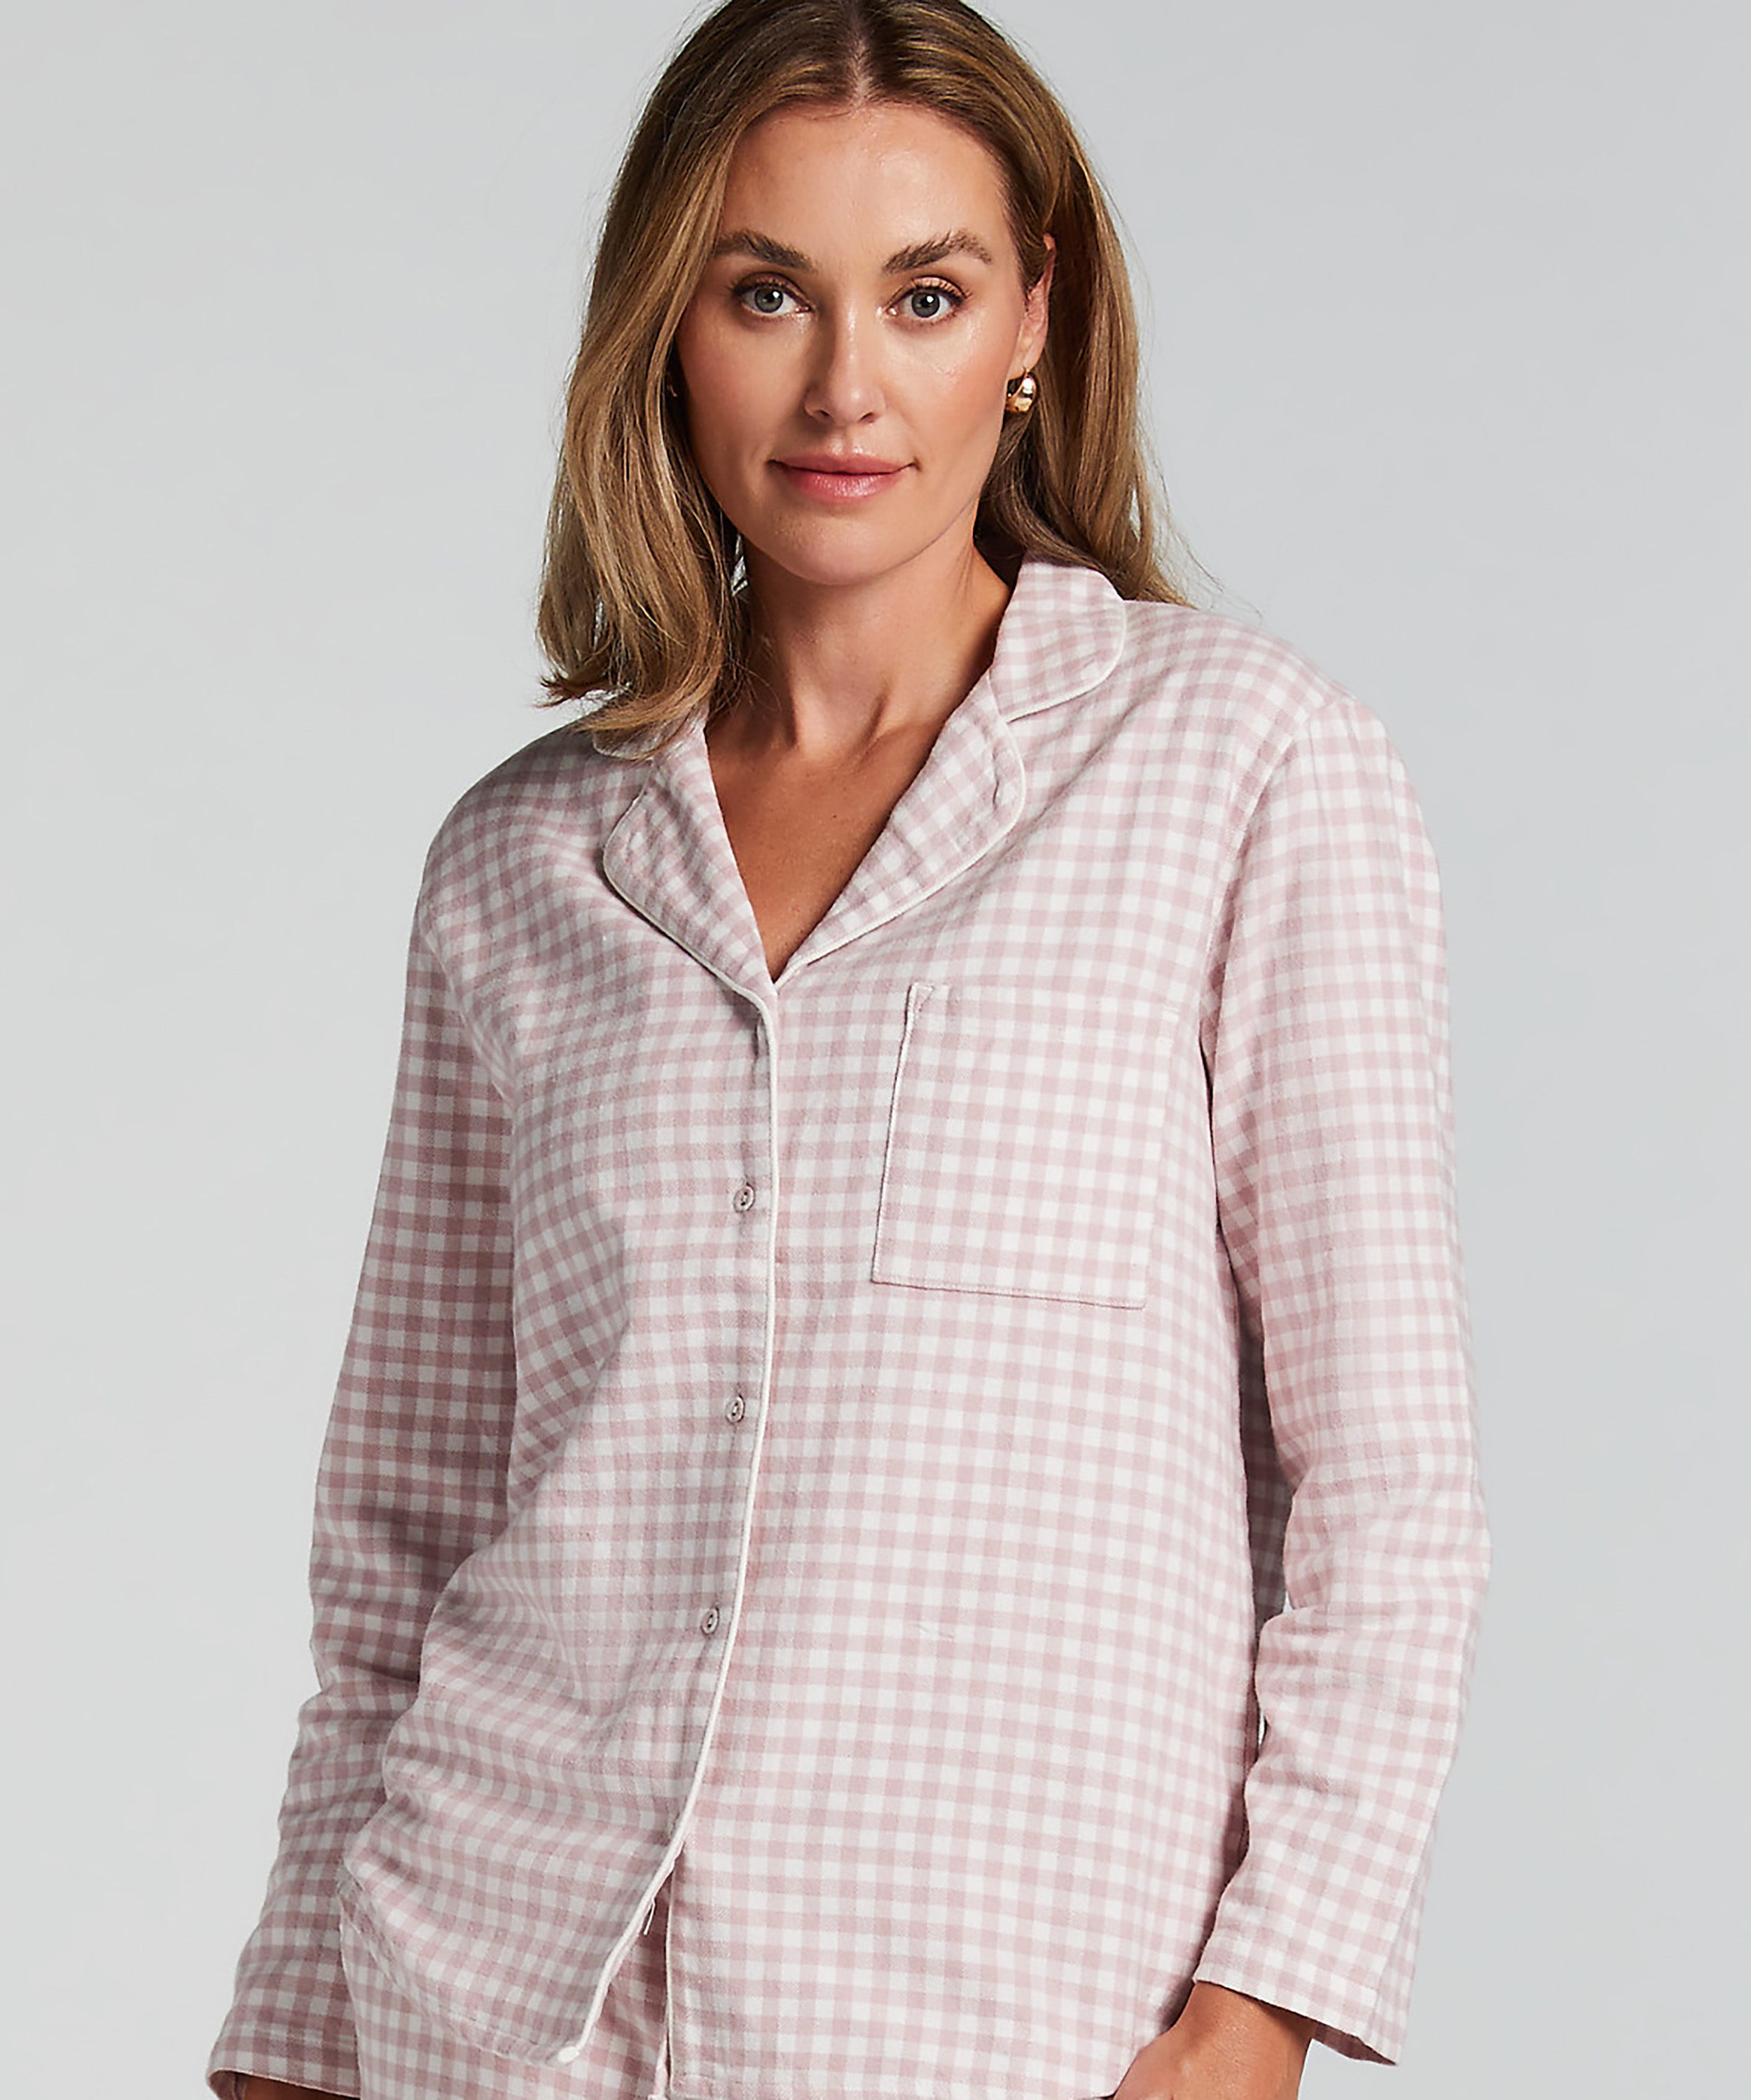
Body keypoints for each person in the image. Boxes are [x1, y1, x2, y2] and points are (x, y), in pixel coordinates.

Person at [207, 3, 1492, 2096]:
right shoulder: (517, 862)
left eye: (924, 295)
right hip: (491, 2008)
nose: (842, 387)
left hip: (1002, 2017)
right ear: (667, 327)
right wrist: (290, 2036)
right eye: (764, 293)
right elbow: (407, 1530)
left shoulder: (1243, 767)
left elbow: (1386, 1484)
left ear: (1032, 322)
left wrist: (1258, 2011)